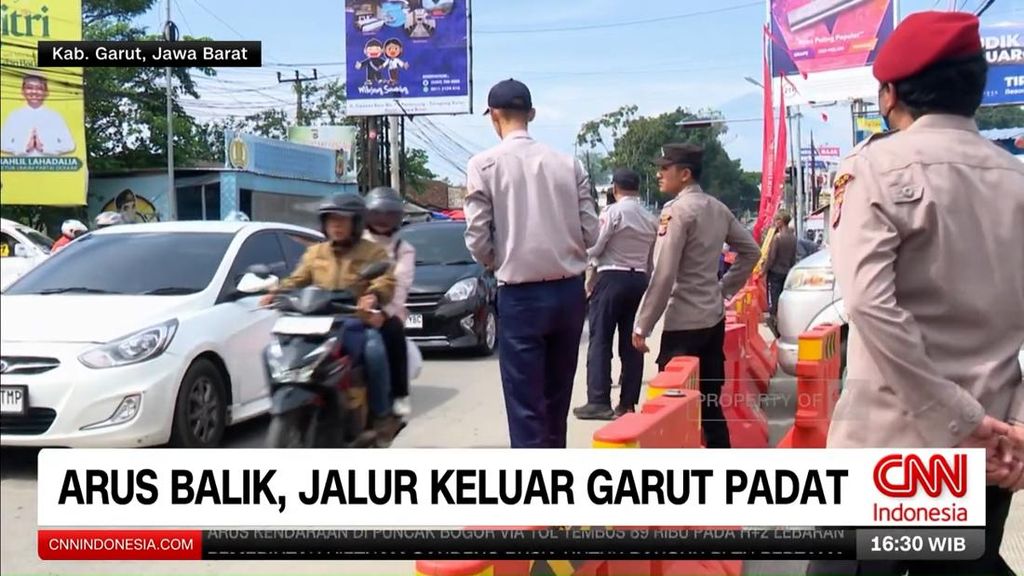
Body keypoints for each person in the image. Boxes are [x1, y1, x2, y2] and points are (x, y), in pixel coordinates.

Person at [806, 11, 1024, 576]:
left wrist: (953, 415)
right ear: (973, 89)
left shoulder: (872, 169)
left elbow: (871, 305)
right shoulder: (1015, 179)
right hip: (990, 454)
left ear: (889, 93)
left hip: (889, 448)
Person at [463, 78, 600, 448]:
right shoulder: (568, 164)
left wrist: (496, 260)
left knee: (526, 408)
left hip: (521, 297)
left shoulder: (484, 165)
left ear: (494, 116)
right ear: (532, 115)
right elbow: (593, 233)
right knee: (557, 402)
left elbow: (477, 236)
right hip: (569, 294)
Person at [632, 143, 760, 449]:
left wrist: (642, 325)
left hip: (682, 327)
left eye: (665, 168)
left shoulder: (676, 212)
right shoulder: (717, 208)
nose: (659, 174)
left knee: (675, 409)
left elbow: (663, 274)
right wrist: (724, 288)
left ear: (685, 174)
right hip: (712, 320)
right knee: (712, 406)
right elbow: (751, 251)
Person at [259, 194, 403, 445]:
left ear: (356, 223)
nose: (335, 225)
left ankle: (381, 417)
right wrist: (276, 292)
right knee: (269, 352)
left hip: (352, 319)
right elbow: (297, 280)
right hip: (314, 322)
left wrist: (372, 295)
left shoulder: (372, 252)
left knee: (374, 350)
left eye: (342, 220)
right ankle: (286, 397)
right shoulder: (315, 253)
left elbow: (385, 280)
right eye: (330, 220)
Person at [574, 169, 657, 420]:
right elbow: (652, 260)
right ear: (638, 188)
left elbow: (596, 246)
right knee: (632, 344)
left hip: (611, 278)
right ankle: (628, 404)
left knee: (600, 341)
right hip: (639, 280)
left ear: (614, 188)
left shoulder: (612, 213)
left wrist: (585, 258)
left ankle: (598, 400)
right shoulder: (650, 218)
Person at [363, 186, 416, 419]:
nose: (383, 220)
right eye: (377, 214)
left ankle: (399, 394)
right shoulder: (355, 242)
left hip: (386, 311)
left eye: (389, 215)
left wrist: (383, 313)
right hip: (351, 309)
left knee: (393, 331)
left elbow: (400, 286)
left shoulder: (402, 249)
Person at [0, 75, 75, 157]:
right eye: (29, 88)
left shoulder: (55, 117)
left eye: (39, 88)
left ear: (46, 92)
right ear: (22, 91)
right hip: (21, 167)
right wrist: (25, 148)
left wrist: (44, 148)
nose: (34, 92)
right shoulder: (14, 116)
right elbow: (2, 144)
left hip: (50, 167)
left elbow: (70, 145)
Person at [764, 211, 797, 330]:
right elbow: (793, 257)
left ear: (781, 222)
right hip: (787, 271)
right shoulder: (793, 238)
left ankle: (775, 321)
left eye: (776, 220)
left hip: (775, 272)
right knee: (784, 297)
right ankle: (785, 320)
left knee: (774, 297)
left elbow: (771, 257)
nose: (774, 222)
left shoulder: (777, 238)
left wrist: (764, 270)